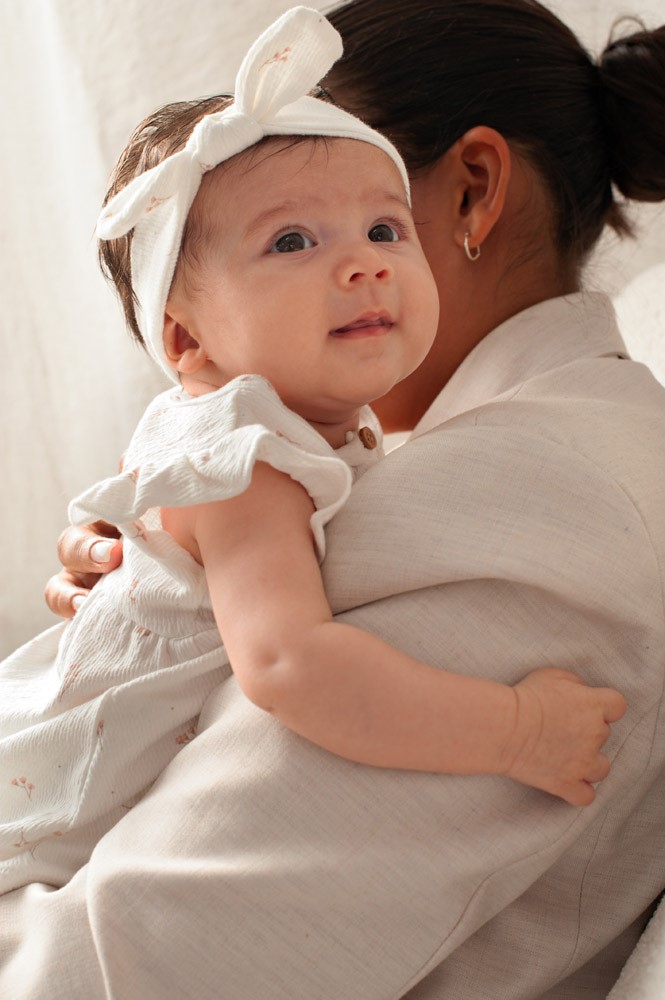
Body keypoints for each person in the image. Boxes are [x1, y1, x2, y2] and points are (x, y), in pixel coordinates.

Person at [9, 0, 665, 996]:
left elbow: (116, 969)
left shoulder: (525, 498)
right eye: (288, 239)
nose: (356, 263)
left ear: (471, 192)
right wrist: (158, 606)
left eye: (378, 222)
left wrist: (517, 729)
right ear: (184, 335)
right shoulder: (419, 460)